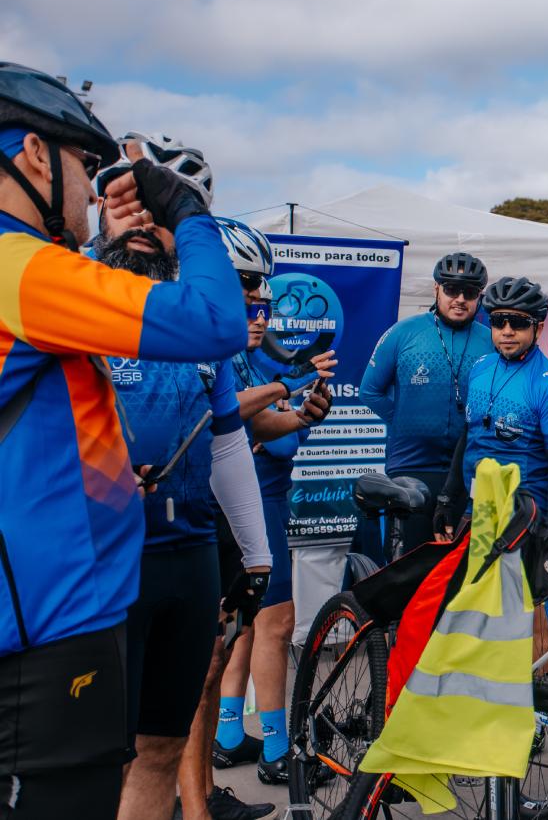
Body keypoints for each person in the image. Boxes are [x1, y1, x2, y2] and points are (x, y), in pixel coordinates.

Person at [0, 63, 246, 820]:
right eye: (84, 165)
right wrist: (191, 214)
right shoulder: (21, 266)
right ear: (36, 157)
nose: (90, 190)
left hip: (53, 608)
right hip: (52, 627)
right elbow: (213, 319)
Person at [90, 186, 286, 820]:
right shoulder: (84, 301)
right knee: (101, 757)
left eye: (161, 218)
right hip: (105, 559)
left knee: (160, 747)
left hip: (190, 551)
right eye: (130, 214)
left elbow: (227, 445)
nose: (147, 228)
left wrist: (256, 559)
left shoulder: (199, 331)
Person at [207, 221, 335, 798]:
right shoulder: (234, 359)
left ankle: (231, 735)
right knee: (274, 628)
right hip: (246, 508)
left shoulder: (246, 359)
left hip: (256, 504)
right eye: (249, 298)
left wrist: (305, 413)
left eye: (264, 304)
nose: (259, 313)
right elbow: (237, 417)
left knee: (239, 636)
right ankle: (278, 750)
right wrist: (289, 389)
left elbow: (268, 428)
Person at [359, 252, 491, 551]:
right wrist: (404, 421)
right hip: (412, 464)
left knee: (460, 564)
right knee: (413, 562)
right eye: (451, 290)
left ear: (479, 296)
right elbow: (369, 391)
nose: (459, 299)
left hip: (468, 468)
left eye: (469, 292)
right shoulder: (404, 332)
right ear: (436, 290)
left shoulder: (490, 339)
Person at [440, 277, 548, 539]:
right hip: (476, 510)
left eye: (517, 323)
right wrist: (447, 498)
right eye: (498, 321)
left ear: (537, 329)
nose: (506, 331)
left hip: (523, 518)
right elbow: (468, 437)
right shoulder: (481, 366)